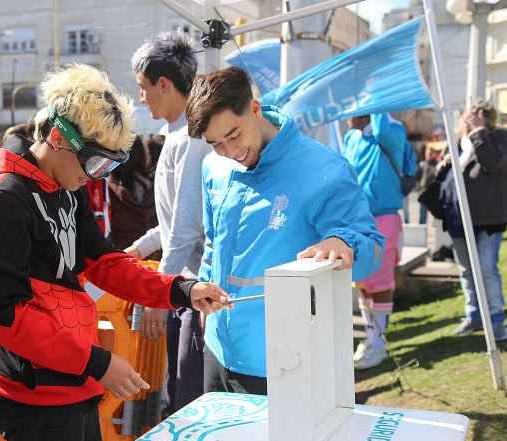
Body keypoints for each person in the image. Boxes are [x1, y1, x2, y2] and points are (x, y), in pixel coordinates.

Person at [0, 63, 231, 441]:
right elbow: (7, 318)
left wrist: (179, 289)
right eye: (94, 164)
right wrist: (98, 362)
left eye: (107, 167)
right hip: (33, 392)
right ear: (57, 137)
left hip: (76, 377)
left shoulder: (66, 186)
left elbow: (104, 263)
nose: (94, 178)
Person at [185, 66, 384, 394]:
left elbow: (371, 247)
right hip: (216, 348)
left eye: (234, 136)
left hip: (285, 360)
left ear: (254, 108)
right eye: (215, 143)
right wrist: (205, 292)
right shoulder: (214, 166)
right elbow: (214, 240)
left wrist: (342, 242)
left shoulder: (326, 170)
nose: (230, 153)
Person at [127, 30, 211, 414]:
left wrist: (161, 292)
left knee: (188, 402)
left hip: (195, 290)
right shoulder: (177, 133)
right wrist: (138, 249)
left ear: (164, 83)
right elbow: (174, 220)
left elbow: (186, 227)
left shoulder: (190, 138)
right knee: (180, 395)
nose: (141, 97)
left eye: (143, 87)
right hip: (185, 286)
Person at [436, 100, 507, 342]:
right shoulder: (458, 143)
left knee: (486, 267)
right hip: (457, 217)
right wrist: (443, 165)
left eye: (480, 116)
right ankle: (474, 315)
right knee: (467, 270)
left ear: (489, 118)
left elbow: (492, 162)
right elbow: (444, 177)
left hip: (488, 219)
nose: (472, 120)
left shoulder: (499, 138)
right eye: (470, 116)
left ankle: (496, 320)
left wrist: (478, 133)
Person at [343, 113, 406, 370]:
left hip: (384, 217)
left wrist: (374, 99)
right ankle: (370, 340)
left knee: (379, 282)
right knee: (363, 280)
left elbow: (382, 128)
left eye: (354, 108)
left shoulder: (392, 130)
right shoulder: (351, 137)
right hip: (357, 219)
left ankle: (378, 345)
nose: (346, 114)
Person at [107, 135, 158, 252]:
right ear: (143, 156)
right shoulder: (157, 188)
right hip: (153, 262)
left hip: (120, 262)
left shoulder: (107, 192)